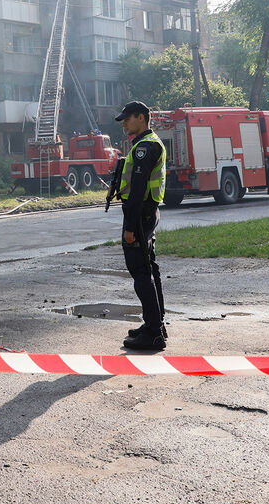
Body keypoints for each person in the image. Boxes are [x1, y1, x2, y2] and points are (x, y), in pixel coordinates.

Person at [105, 100, 167, 351]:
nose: (125, 124)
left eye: (128, 118)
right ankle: (155, 324)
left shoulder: (146, 147)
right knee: (149, 269)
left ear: (141, 118)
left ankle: (153, 333)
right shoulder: (145, 144)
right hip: (145, 214)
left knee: (141, 273)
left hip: (139, 215)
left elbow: (139, 188)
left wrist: (130, 227)